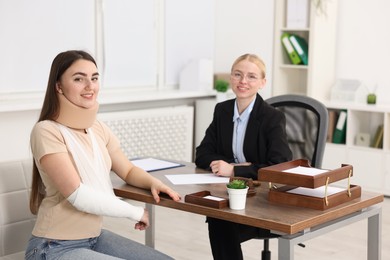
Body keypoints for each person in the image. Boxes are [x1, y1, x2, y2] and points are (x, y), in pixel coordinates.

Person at [25, 50, 181, 260]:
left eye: (94, 78)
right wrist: (134, 212)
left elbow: (127, 170)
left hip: (93, 238)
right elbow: (78, 196)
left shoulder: (97, 128)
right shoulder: (46, 131)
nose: (90, 86)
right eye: (79, 78)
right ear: (59, 86)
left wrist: (153, 183)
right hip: (53, 247)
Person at [195, 53, 292, 260]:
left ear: (262, 83)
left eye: (251, 76)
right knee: (218, 216)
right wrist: (240, 166)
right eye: (237, 75)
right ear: (231, 78)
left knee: (222, 221)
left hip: (263, 199)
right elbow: (202, 154)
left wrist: (233, 170)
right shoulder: (222, 110)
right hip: (231, 193)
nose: (243, 81)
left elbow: (280, 165)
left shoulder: (272, 117)